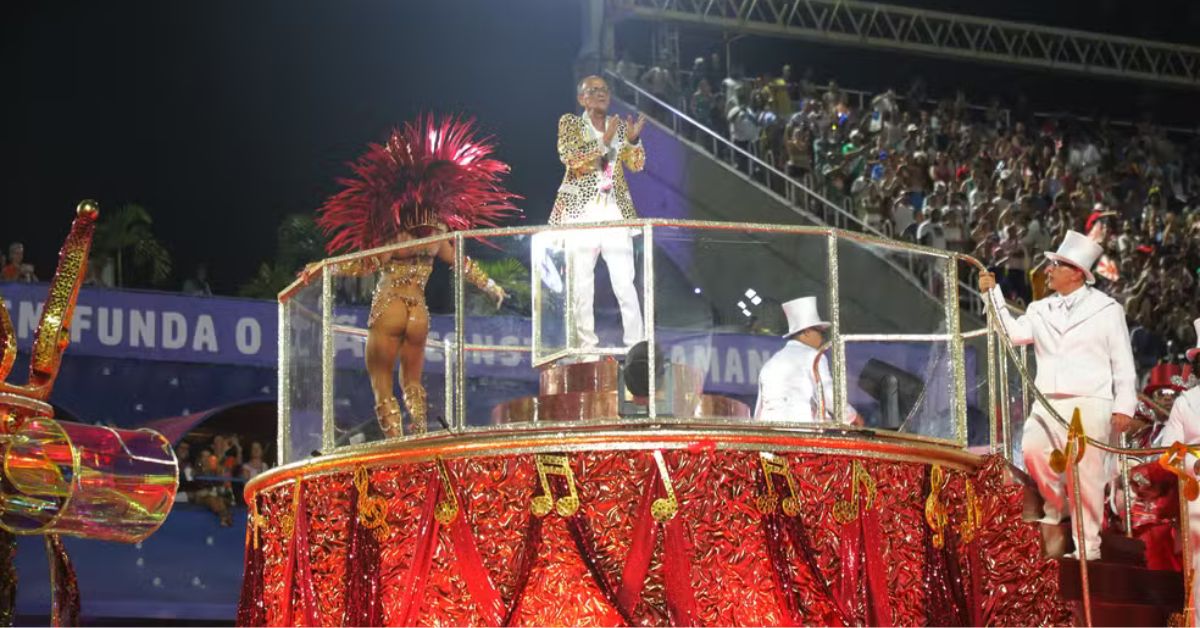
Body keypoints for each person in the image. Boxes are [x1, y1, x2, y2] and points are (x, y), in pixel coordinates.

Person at [315, 114, 518, 437]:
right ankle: (420, 435)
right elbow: (462, 264)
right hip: (418, 312)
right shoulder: (436, 230)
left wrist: (326, 269)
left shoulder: (394, 229)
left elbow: (367, 264)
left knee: (381, 383)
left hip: (389, 305)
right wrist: (492, 286)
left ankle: (396, 444)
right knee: (412, 381)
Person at [979, 230, 1137, 559]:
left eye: (1055, 265)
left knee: (1087, 474)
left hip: (1091, 400)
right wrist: (991, 295)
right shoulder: (1040, 309)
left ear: (1077, 272)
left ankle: (1089, 546)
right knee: (1033, 451)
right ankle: (1058, 504)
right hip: (1049, 400)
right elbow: (1012, 333)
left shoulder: (1108, 309)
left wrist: (1125, 405)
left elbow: (1123, 360)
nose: (1047, 270)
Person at [549, 75, 648, 351]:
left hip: (615, 211)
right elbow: (570, 157)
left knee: (625, 284)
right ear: (582, 98)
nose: (601, 94)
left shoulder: (618, 127)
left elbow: (636, 165)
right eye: (593, 91)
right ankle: (586, 350)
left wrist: (633, 140)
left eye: (604, 90)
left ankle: (636, 348)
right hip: (581, 212)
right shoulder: (570, 122)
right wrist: (603, 140)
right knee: (582, 286)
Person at [755, 297, 860, 424]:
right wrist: (852, 416)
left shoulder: (769, 364)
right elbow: (828, 395)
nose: (822, 338)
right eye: (820, 332)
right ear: (807, 332)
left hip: (771, 434)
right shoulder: (814, 357)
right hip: (804, 432)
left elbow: (759, 411)